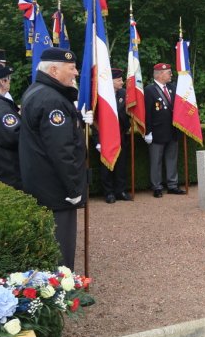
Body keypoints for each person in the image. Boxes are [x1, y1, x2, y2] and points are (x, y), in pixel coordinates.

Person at [19, 48, 92, 270]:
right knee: (61, 245)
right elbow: (61, 150)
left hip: (44, 183)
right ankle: (62, 292)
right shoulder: (52, 100)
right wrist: (73, 188)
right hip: (56, 188)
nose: (76, 73)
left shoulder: (38, 91)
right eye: (71, 68)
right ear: (54, 70)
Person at [144, 63, 185, 198]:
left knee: (172, 159)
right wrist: (147, 131)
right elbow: (147, 113)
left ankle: (172, 185)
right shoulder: (149, 90)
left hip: (172, 131)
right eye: (169, 72)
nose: (171, 74)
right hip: (157, 131)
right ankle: (157, 186)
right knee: (156, 161)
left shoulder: (173, 88)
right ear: (160, 74)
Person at [96, 68, 132, 203]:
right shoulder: (101, 97)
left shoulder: (124, 93)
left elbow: (128, 114)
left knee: (121, 165)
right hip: (105, 137)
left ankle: (121, 191)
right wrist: (97, 140)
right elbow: (95, 121)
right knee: (107, 166)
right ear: (110, 82)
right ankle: (108, 193)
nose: (122, 82)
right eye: (119, 80)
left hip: (121, 135)